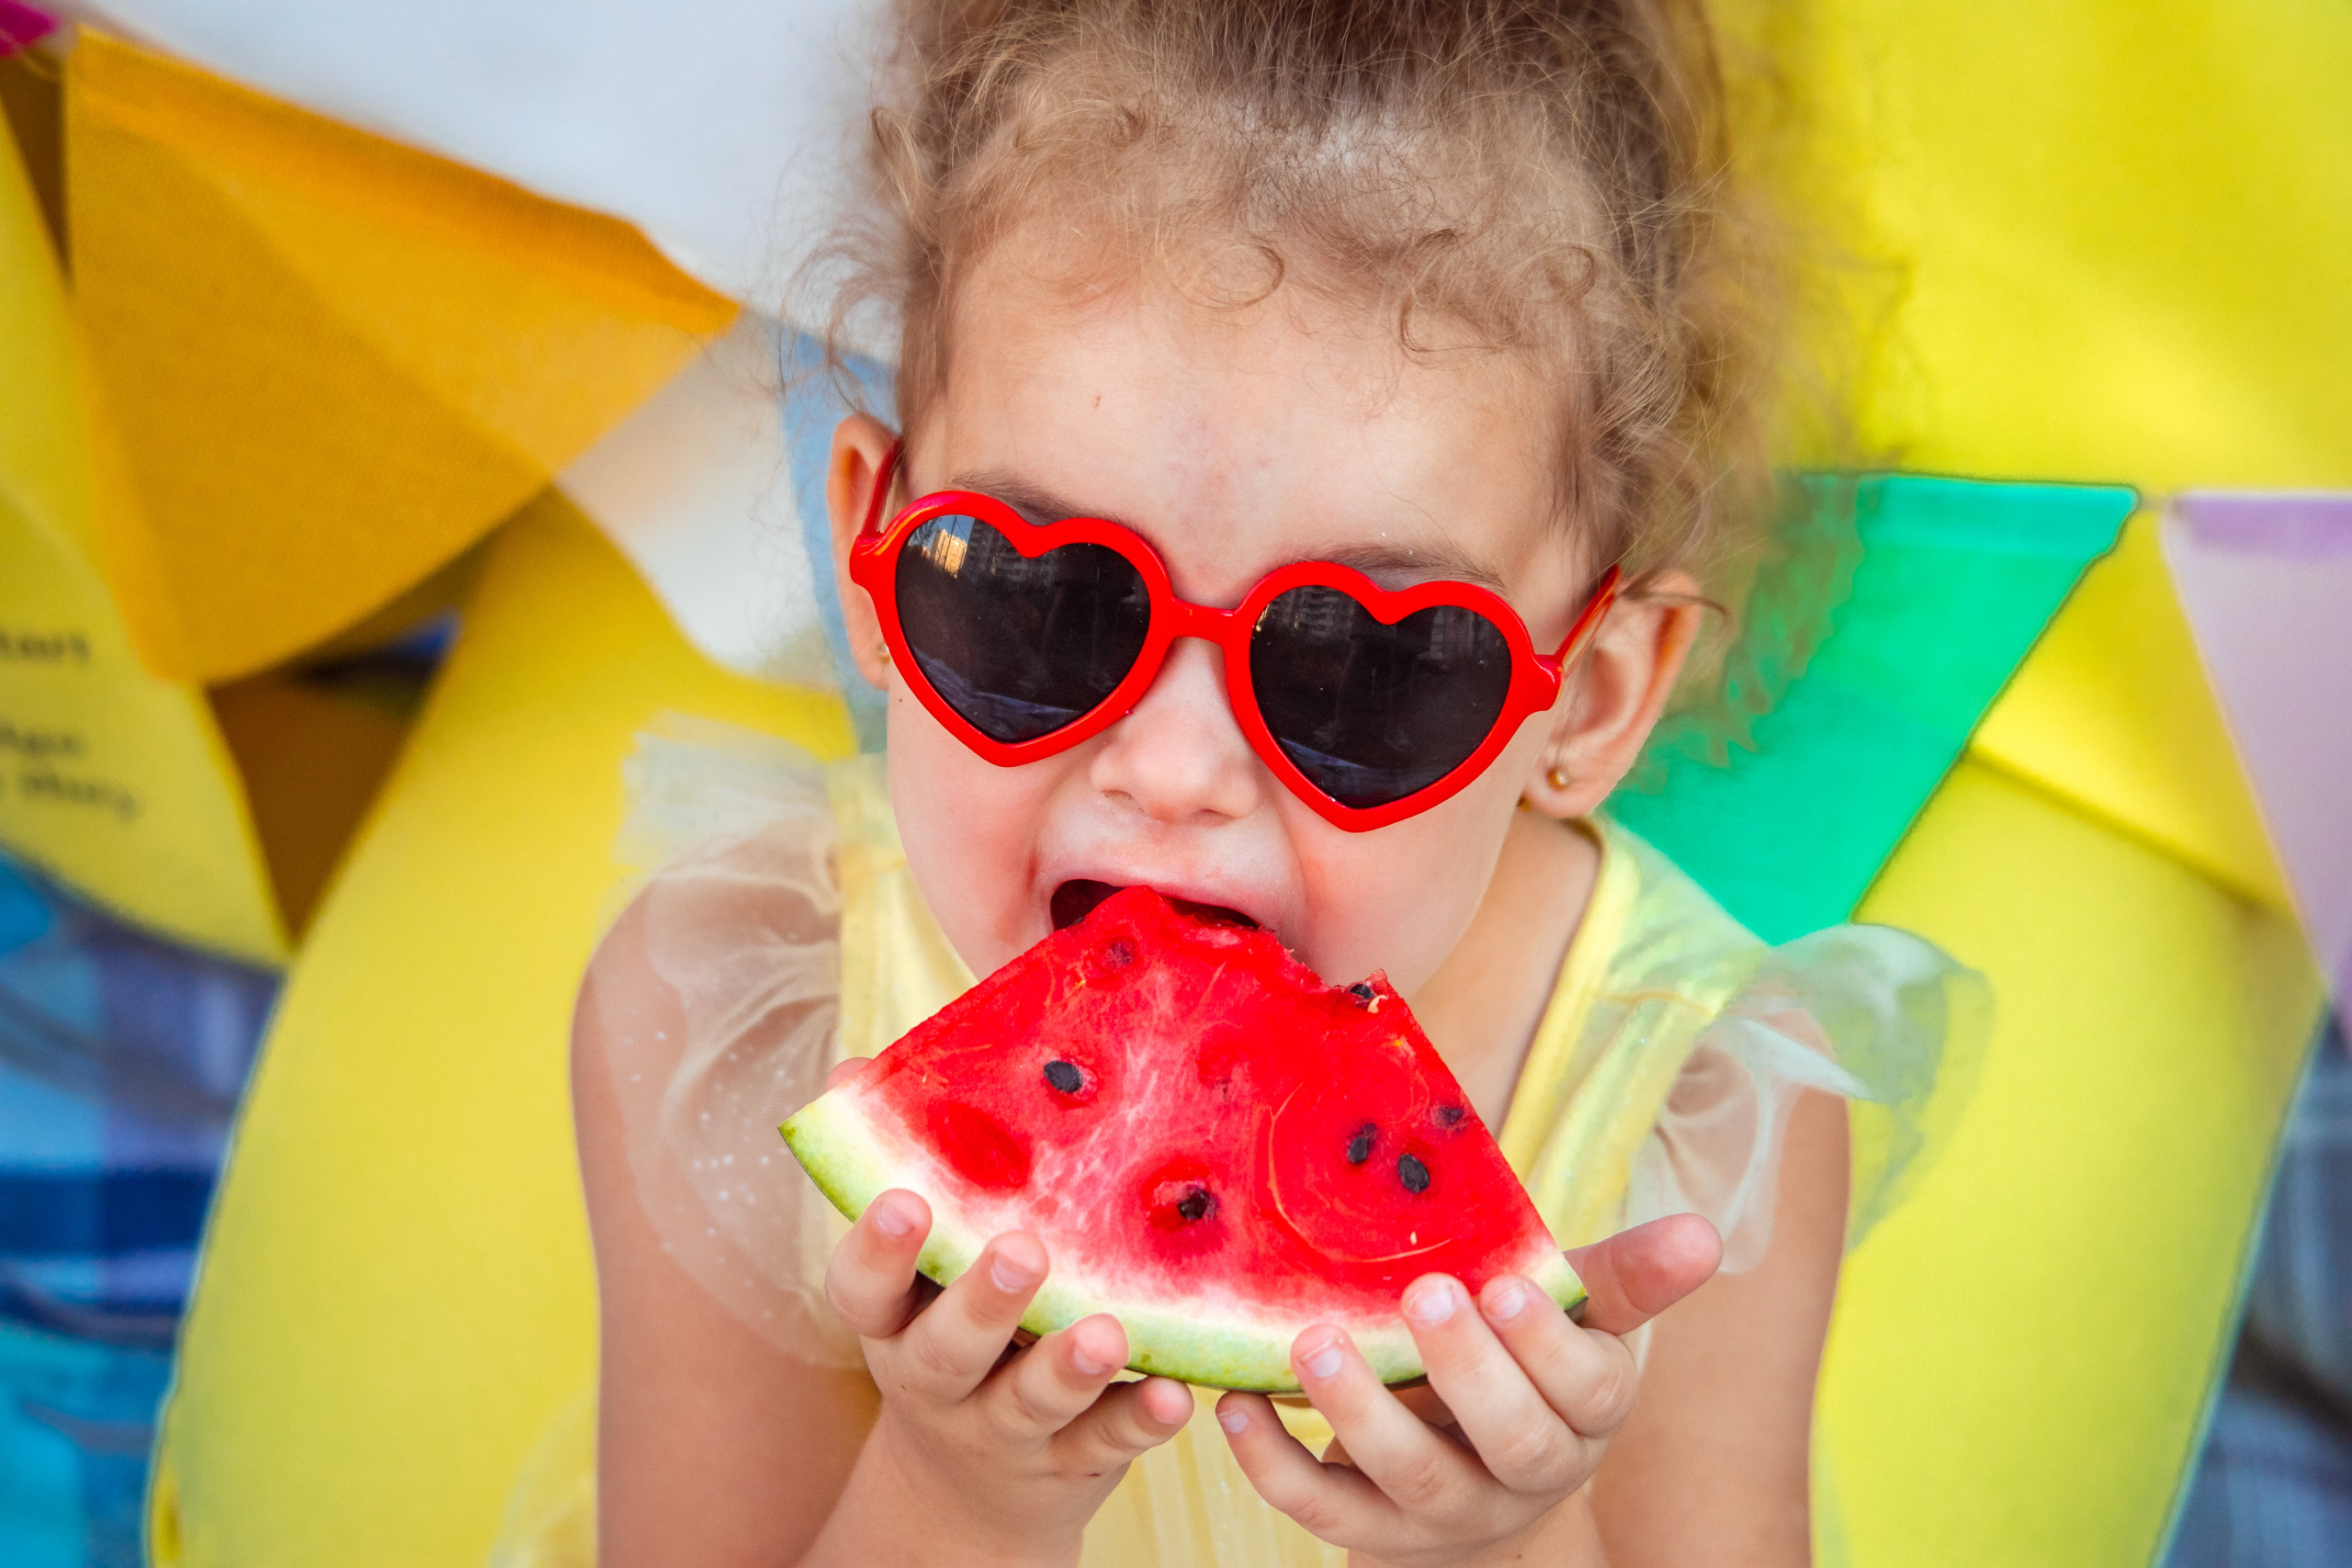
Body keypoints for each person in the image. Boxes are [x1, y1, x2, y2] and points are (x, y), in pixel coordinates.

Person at [571, 3, 1974, 1563]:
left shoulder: (1699, 1120)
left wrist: (1506, 1538)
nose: (1173, 771)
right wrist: (954, 1495)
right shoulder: (732, 1019)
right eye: (1039, 596)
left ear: (1586, 698)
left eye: (1364, 665)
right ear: (873, 553)